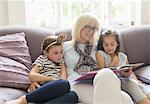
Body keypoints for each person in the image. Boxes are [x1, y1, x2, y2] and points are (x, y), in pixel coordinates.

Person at [63, 14, 134, 104]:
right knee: (124, 101)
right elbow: (50, 64)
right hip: (77, 83)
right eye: (88, 27)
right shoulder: (65, 46)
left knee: (126, 98)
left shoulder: (100, 46)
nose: (92, 31)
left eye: (94, 28)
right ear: (79, 26)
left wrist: (124, 71)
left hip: (98, 81)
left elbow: (110, 63)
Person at [5, 33, 78, 104]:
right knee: (64, 83)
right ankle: (25, 99)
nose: (60, 55)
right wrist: (51, 79)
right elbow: (32, 76)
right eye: (55, 53)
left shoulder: (62, 62)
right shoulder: (42, 59)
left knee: (73, 95)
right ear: (45, 53)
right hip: (42, 88)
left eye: (61, 52)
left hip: (56, 89)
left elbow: (63, 78)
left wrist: (56, 81)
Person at [96, 29, 150, 104]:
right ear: (102, 45)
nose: (109, 47)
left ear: (117, 43)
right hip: (119, 82)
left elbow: (130, 72)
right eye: (106, 44)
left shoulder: (123, 56)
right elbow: (102, 73)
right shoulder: (101, 54)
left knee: (144, 90)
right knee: (142, 97)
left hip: (129, 79)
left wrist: (135, 79)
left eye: (112, 44)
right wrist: (113, 63)